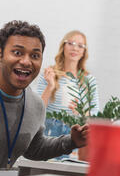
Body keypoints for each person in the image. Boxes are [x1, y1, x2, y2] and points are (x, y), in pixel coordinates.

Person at [0, 20, 89, 176]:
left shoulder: (36, 104)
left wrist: (72, 141)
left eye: (35, 55)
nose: (26, 61)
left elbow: (35, 149)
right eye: (17, 53)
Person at [34, 30, 99, 160]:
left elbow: (95, 116)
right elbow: (37, 108)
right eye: (71, 43)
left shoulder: (88, 80)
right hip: (50, 132)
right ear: (63, 46)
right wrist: (50, 86)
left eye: (80, 45)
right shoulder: (49, 74)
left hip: (75, 133)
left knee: (69, 173)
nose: (75, 48)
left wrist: (82, 112)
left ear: (84, 52)